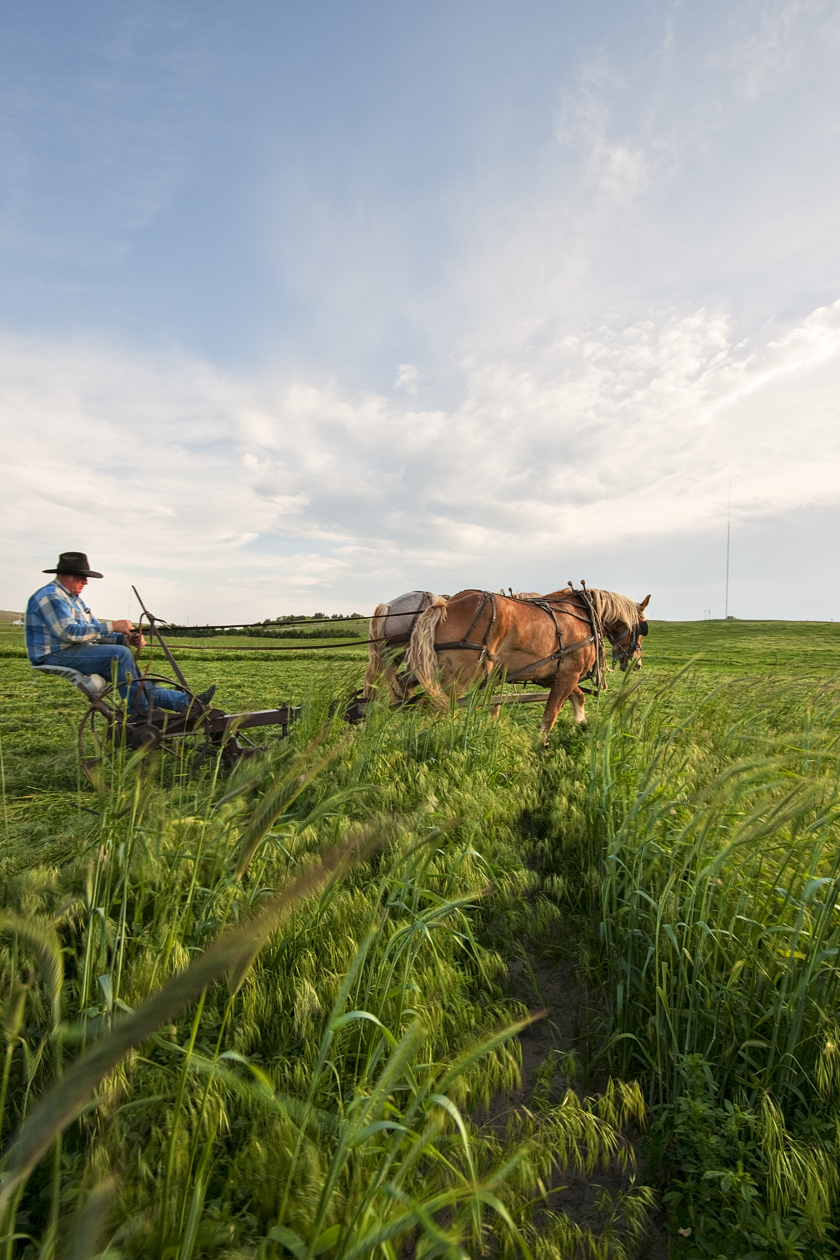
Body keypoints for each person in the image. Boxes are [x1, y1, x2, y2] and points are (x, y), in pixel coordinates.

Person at [26, 551, 215, 715]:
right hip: (54, 654)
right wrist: (112, 626)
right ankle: (139, 715)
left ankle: (184, 703)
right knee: (120, 654)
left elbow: (94, 633)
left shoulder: (75, 600)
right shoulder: (51, 595)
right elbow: (69, 633)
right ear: (65, 575)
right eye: (81, 577)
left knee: (135, 678)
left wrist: (126, 638)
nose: (85, 582)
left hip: (73, 650)